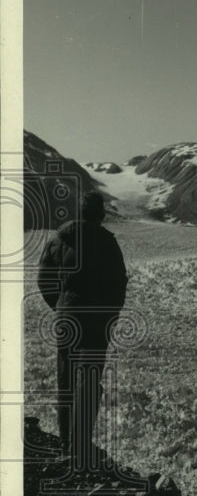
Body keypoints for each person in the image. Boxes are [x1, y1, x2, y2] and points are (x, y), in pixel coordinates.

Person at [38, 191, 128, 469]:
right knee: (88, 382)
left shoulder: (58, 239)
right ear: (100, 214)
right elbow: (118, 286)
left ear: (78, 212)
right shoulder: (107, 243)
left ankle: (67, 444)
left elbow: (44, 279)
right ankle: (80, 447)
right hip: (94, 320)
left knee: (66, 380)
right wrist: (108, 318)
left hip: (66, 318)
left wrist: (63, 306)